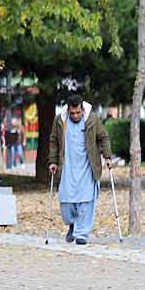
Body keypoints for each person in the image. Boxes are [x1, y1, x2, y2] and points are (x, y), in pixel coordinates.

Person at [47, 93, 113, 246]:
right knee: (66, 203)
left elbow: (103, 137)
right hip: (67, 167)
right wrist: (52, 161)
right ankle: (72, 224)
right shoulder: (60, 120)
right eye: (72, 113)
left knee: (86, 201)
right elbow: (53, 141)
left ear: (82, 109)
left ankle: (81, 233)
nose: (75, 115)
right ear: (68, 110)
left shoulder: (92, 119)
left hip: (87, 166)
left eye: (78, 112)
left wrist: (107, 156)